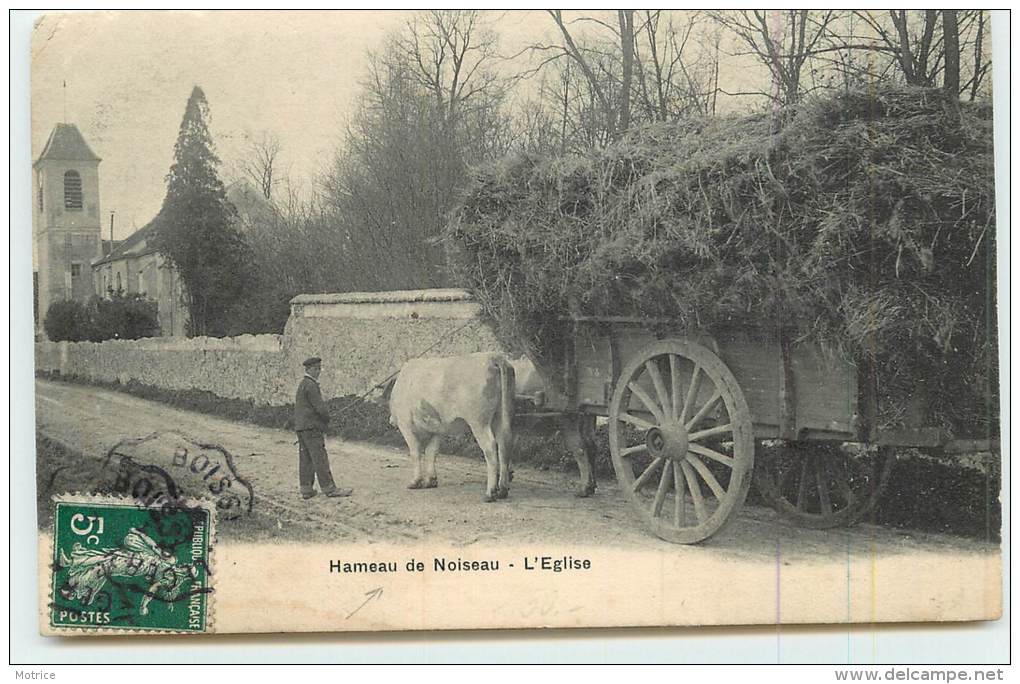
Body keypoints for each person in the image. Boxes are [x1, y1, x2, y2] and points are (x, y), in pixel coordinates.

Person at [294, 357, 352, 499]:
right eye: (316, 369)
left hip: (301, 428)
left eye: (319, 369)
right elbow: (321, 409)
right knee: (320, 458)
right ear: (309, 370)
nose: (318, 372)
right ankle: (330, 489)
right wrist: (327, 420)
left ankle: (306, 489)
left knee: (306, 458)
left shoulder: (302, 384)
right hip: (312, 428)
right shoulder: (312, 385)